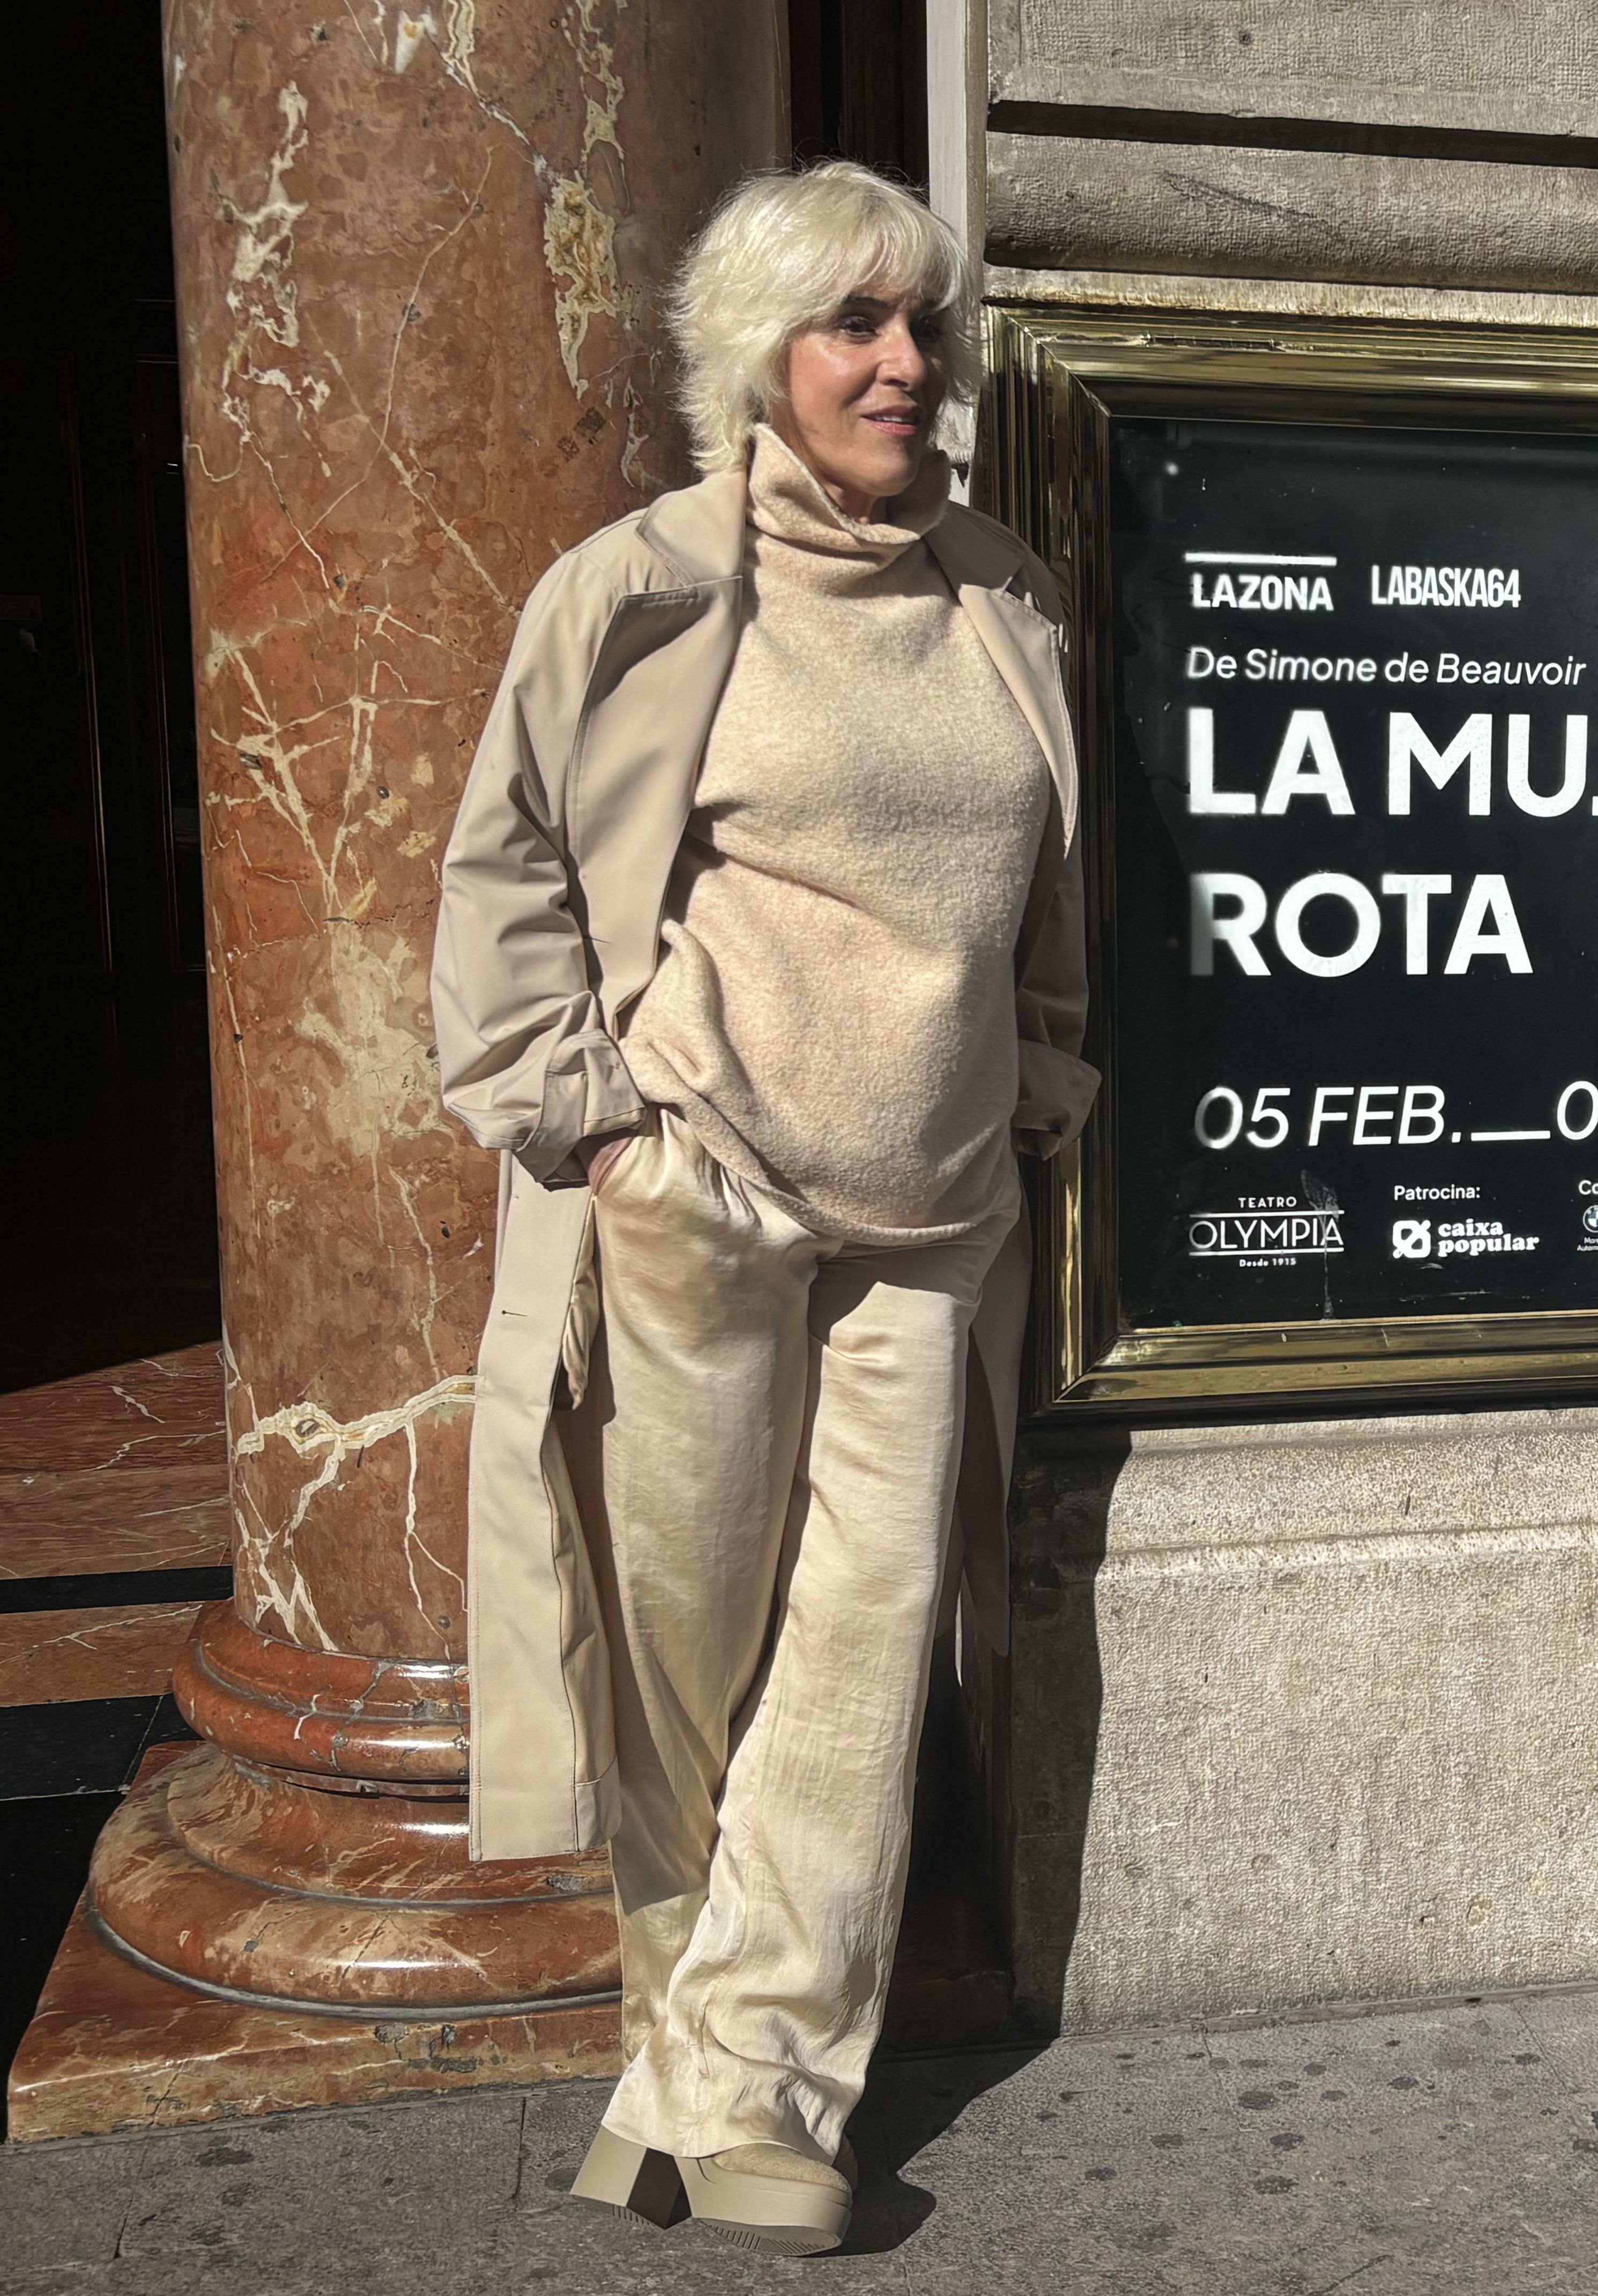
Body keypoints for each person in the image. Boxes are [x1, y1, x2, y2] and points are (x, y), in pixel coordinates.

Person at [429, 161, 1090, 2256]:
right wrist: (608, 1141)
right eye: (852, 325)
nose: (904, 364)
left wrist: (1046, 1074)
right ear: (761, 354)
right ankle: (708, 2079)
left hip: (935, 1219)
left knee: (860, 1659)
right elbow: (504, 872)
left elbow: (1052, 886)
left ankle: (750, 2094)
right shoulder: (628, 591)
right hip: (701, 1195)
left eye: (925, 326)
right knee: (683, 1664)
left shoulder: (1005, 595)